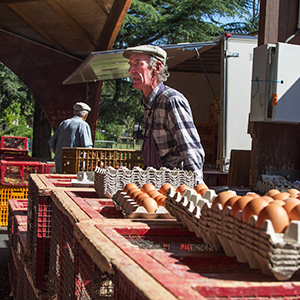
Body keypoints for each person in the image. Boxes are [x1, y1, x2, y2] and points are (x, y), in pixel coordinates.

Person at [123, 45, 205, 183]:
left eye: (138, 63)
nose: (131, 70)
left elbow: (190, 150)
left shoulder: (171, 101)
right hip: (155, 183)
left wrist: (196, 190)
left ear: (157, 68)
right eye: (130, 64)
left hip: (173, 186)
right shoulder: (148, 103)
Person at [50, 102, 93, 173]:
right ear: (85, 115)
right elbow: (87, 148)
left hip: (60, 164)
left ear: (74, 112)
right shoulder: (83, 125)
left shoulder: (64, 123)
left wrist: (60, 156)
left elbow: (52, 144)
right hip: (75, 166)